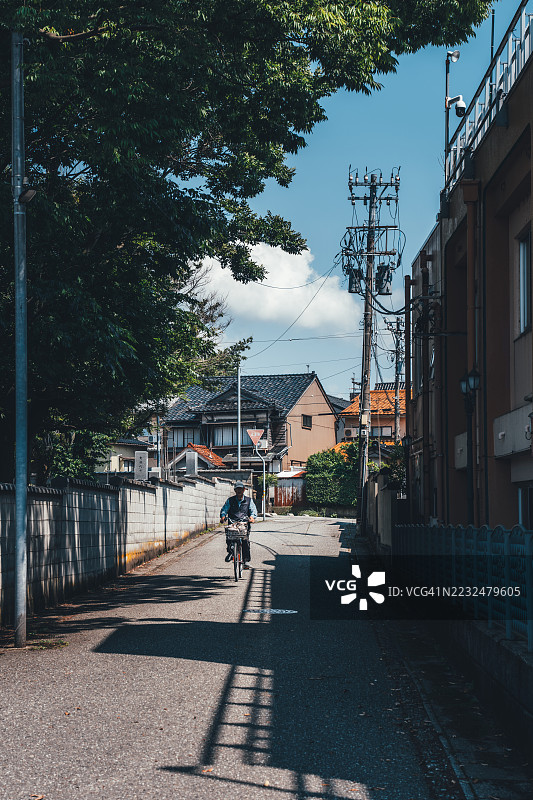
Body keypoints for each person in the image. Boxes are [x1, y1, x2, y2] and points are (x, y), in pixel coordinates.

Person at [220, 481, 257, 569]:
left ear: (244, 490)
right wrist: (223, 516)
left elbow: (253, 510)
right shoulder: (230, 500)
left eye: (240, 489)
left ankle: (246, 561)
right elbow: (224, 509)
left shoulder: (249, 500)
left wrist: (252, 517)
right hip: (232, 523)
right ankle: (230, 552)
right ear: (235, 490)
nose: (239, 491)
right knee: (229, 538)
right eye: (237, 489)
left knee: (245, 541)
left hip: (244, 523)